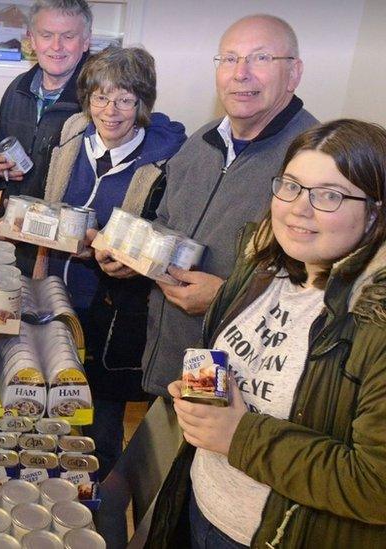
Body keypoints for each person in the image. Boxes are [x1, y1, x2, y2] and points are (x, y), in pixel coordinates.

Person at [147, 119, 386, 548]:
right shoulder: (262, 267)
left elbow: (375, 486)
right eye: (291, 185)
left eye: (329, 195)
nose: (298, 207)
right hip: (202, 506)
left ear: (375, 212)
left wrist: (237, 435)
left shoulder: (375, 324)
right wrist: (201, 396)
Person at [130, 14, 317, 398]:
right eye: (229, 59)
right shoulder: (201, 141)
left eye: (261, 58)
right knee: (164, 455)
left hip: (244, 389)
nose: (240, 73)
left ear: (294, 73)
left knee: (217, 456)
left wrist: (227, 297)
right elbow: (167, 222)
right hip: (176, 366)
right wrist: (131, 254)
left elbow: (324, 288)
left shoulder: (315, 159)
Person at [37, 46, 185, 479]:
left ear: (142, 104)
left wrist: (124, 258)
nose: (111, 111)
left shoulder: (164, 164)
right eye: (100, 98)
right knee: (48, 407)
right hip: (56, 300)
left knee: (98, 430)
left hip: (112, 314)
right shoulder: (69, 137)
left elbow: (167, 242)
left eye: (124, 99)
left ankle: (98, 511)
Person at [0, 0, 93, 274]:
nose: (56, 46)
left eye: (68, 36)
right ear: (31, 40)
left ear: (86, 41)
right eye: (46, 35)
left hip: (69, 259)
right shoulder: (16, 90)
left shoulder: (98, 102)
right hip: (13, 242)